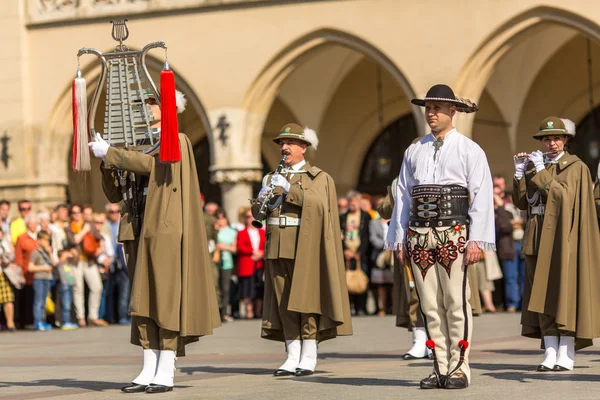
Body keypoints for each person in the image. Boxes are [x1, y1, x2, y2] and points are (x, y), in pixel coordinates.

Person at [89, 88, 220, 394]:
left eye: (152, 103)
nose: (145, 108)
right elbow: (115, 194)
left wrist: (113, 153)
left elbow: (154, 166)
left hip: (163, 227)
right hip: (136, 226)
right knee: (142, 301)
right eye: (143, 104)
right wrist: (107, 161)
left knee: (165, 296)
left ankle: (167, 366)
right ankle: (149, 365)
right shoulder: (136, 145)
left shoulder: (177, 140)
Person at [387, 84, 494, 389]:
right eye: (428, 108)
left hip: (454, 233)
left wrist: (476, 240)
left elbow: (482, 196)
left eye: (437, 108)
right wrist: (399, 238)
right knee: (428, 305)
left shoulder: (469, 149)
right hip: (419, 236)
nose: (431, 113)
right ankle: (439, 367)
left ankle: (459, 367)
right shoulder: (414, 149)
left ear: (452, 111)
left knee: (456, 301)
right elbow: (403, 197)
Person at [252, 123, 352, 377]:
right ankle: (291, 353)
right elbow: (259, 213)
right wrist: (261, 197)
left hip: (302, 243)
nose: (284, 148)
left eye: (289, 143)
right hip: (276, 243)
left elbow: (319, 206)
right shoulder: (272, 176)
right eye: (281, 144)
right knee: (283, 300)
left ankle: (309, 354)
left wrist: (290, 190)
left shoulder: (317, 177)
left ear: (303, 147)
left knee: (306, 300)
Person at [513, 117, 600, 372]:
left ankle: (566, 350)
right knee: (540, 292)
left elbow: (563, 198)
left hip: (563, 236)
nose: (551, 143)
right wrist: (519, 174)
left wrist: (539, 173)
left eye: (556, 138)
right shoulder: (536, 165)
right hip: (537, 232)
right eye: (547, 139)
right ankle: (550, 349)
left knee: (563, 292)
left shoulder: (576, 167)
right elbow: (522, 202)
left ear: (565, 141)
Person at [236, 208, 265, 319]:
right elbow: (240, 246)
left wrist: (261, 254)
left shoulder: (262, 232)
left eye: (253, 216)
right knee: (247, 288)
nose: (251, 218)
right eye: (248, 216)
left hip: (259, 264)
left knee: (259, 287)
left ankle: (258, 311)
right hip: (247, 262)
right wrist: (253, 252)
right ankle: (249, 311)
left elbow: (266, 245)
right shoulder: (241, 232)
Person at [28, 231, 57, 332]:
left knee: (44, 301)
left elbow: (54, 263)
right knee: (38, 301)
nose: (46, 242)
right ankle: (37, 321)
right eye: (45, 240)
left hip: (47, 278)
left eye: (47, 240)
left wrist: (50, 252)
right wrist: (43, 268)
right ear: (39, 240)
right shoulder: (35, 253)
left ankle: (42, 320)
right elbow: (30, 267)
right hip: (39, 278)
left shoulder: (46, 252)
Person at [215, 208, 237, 322]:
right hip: (215, 261)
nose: (220, 220)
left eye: (222, 217)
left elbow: (234, 248)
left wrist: (224, 247)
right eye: (218, 218)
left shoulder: (231, 231)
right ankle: (216, 312)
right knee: (215, 287)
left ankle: (224, 312)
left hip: (226, 261)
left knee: (225, 288)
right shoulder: (215, 230)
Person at [56, 248, 78, 330]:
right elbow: (58, 261)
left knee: (70, 305)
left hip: (70, 285)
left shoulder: (69, 263)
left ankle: (68, 321)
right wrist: (65, 255)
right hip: (64, 285)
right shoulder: (61, 264)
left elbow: (75, 258)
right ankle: (65, 322)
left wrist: (73, 253)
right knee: (66, 305)